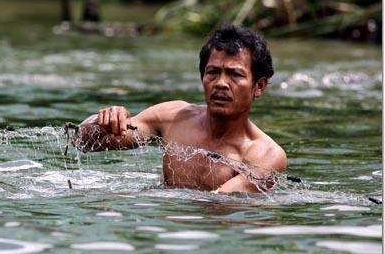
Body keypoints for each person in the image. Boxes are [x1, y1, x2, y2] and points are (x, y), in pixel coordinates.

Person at [72, 23, 287, 193]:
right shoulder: (173, 117)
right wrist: (105, 121)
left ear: (259, 86)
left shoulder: (267, 155)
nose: (221, 83)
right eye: (213, 72)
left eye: (235, 74)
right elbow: (81, 140)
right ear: (203, 77)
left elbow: (221, 202)